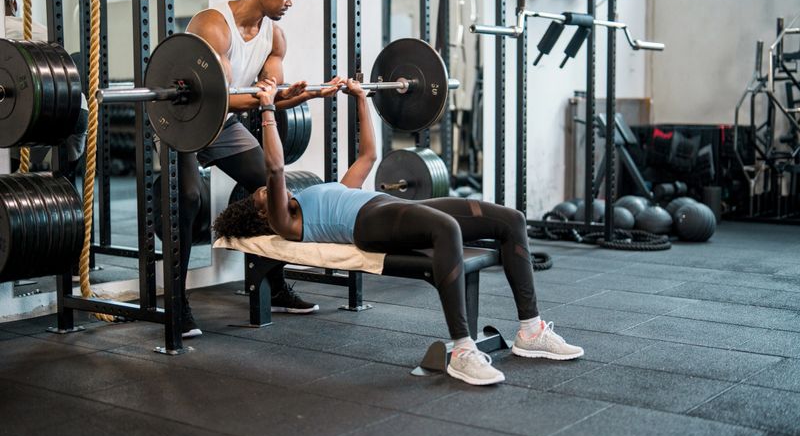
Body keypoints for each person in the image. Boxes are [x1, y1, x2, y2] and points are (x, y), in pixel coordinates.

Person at [213, 78, 585, 386]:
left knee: (510, 219)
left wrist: (361, 99)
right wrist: (267, 108)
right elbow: (275, 169)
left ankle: (530, 331)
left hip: (389, 206)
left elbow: (368, 156)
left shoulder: (321, 192)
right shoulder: (284, 222)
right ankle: (461, 350)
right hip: (368, 225)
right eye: (262, 195)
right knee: (446, 229)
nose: (267, 190)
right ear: (263, 216)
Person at [180, 0, 341, 338]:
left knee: (275, 190)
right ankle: (175, 299)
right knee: (187, 198)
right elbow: (221, 98)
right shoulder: (213, 25)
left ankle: (274, 284)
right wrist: (270, 97)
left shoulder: (274, 36)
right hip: (183, 120)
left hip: (224, 124)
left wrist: (304, 95)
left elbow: (268, 98)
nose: (290, 1)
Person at [3, 0, 88, 177]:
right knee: (65, 176)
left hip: (25, 118)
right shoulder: (45, 29)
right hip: (75, 112)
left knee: (10, 166)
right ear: (14, 4)